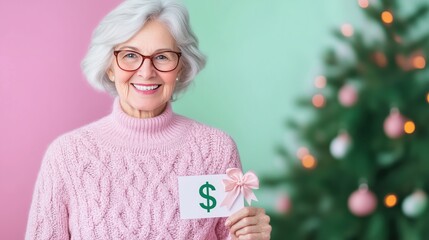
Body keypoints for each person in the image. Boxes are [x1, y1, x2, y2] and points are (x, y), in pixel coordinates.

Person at [25, 0, 272, 239]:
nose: (146, 71)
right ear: (110, 67)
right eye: (130, 55)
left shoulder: (215, 150)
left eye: (162, 56)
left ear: (181, 68)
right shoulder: (67, 156)